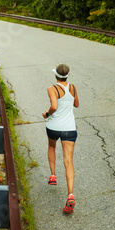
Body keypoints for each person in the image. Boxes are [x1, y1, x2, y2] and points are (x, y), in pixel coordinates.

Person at [42, 63, 79, 214]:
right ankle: (70, 195)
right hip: (70, 128)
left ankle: (53, 175)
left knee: (51, 147)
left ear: (55, 75)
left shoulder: (52, 89)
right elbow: (76, 104)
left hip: (54, 126)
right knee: (68, 161)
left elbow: (54, 106)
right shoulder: (73, 88)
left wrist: (47, 114)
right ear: (68, 75)